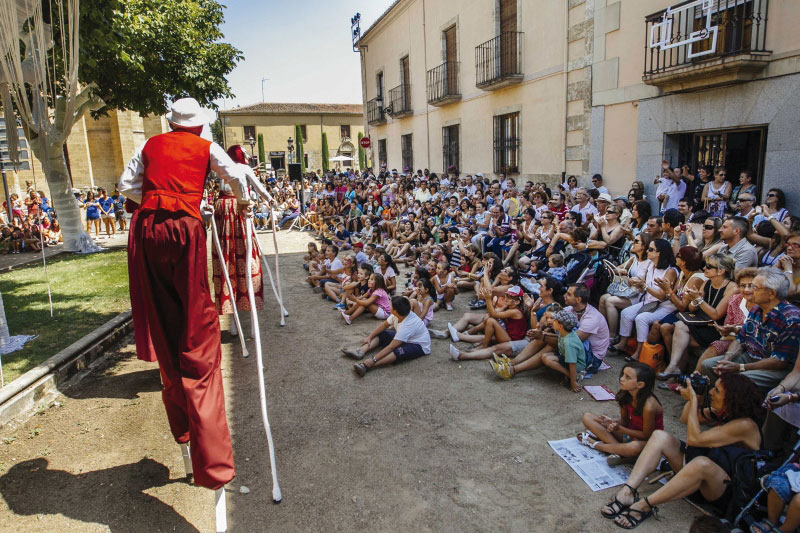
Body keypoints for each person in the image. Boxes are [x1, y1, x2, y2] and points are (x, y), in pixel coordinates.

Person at [118, 97, 243, 493]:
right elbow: (234, 177)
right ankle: (210, 458)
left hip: (147, 229)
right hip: (184, 232)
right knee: (195, 325)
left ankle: (183, 431)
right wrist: (241, 200)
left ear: (172, 123)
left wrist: (155, 201)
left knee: (164, 320)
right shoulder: (207, 147)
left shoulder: (149, 145)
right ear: (199, 125)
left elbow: (126, 185)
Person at [600, 373, 762, 529]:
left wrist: (692, 399)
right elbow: (685, 418)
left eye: (717, 391)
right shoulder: (725, 412)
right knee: (659, 436)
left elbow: (694, 439)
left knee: (702, 464)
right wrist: (696, 396)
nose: (711, 392)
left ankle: (644, 506)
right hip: (699, 474)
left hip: (724, 490)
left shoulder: (745, 425)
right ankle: (627, 492)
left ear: (732, 399)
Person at [700, 267, 800, 391]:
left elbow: (780, 362)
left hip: (773, 368)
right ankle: (720, 405)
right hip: (750, 356)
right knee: (709, 365)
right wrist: (727, 359)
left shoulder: (791, 319)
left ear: (772, 294)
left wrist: (741, 367)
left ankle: (737, 408)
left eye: (755, 288)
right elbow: (741, 338)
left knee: (738, 380)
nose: (751, 291)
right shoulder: (757, 309)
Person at [211, 144, 266, 337]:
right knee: (246, 265)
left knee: (229, 267)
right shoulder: (243, 169)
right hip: (239, 212)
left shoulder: (219, 169)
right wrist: (268, 200)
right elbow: (259, 189)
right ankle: (249, 325)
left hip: (223, 213)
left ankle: (237, 324)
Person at [579, 362, 664, 466]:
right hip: (629, 434)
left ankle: (596, 445)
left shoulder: (649, 406)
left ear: (640, 384)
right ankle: (620, 452)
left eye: (628, 377)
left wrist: (620, 429)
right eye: (623, 374)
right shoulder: (626, 394)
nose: (622, 379)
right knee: (587, 417)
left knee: (634, 447)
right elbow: (624, 420)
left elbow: (646, 435)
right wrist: (611, 423)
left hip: (647, 441)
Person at [612, 239, 678, 361]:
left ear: (659, 253)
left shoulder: (670, 271)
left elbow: (662, 296)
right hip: (648, 302)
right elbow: (644, 288)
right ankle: (622, 344)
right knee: (626, 313)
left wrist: (644, 286)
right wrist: (636, 283)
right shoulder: (651, 265)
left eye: (651, 249)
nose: (648, 251)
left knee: (641, 318)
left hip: (664, 306)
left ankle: (639, 352)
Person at [344, 296, 431, 376]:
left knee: (398, 351)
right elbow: (384, 325)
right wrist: (369, 337)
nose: (389, 305)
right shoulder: (399, 314)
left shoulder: (407, 325)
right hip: (407, 337)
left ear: (396, 311)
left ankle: (368, 366)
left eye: (391, 305)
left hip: (419, 345)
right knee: (383, 333)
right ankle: (360, 351)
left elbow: (391, 347)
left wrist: (373, 359)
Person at [600, 233, 653, 344]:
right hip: (628, 291)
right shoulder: (633, 259)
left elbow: (648, 282)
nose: (633, 243)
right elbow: (615, 269)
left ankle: (612, 335)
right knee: (603, 298)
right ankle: (603, 330)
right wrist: (620, 271)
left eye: (636, 242)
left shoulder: (650, 263)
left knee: (610, 301)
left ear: (644, 246)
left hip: (639, 294)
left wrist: (637, 281)